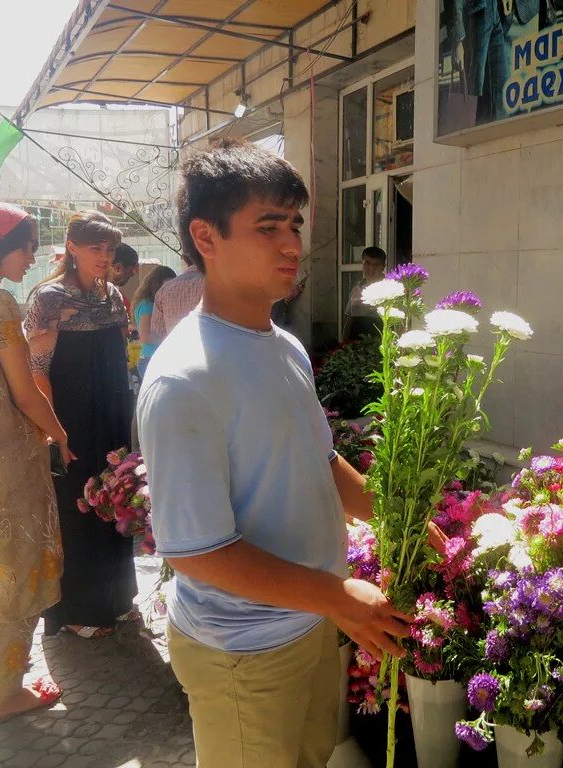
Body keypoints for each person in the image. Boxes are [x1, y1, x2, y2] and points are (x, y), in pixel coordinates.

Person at [137, 139, 442, 768]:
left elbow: (320, 461)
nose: (292, 245)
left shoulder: (282, 345)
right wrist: (337, 596)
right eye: (268, 227)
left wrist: (392, 516)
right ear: (207, 237)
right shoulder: (185, 378)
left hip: (304, 623)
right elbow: (196, 551)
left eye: (295, 225)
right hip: (242, 652)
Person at [24, 211, 139, 639]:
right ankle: (76, 610)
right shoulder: (49, 298)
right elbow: (38, 370)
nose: (105, 256)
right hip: (72, 420)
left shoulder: (113, 295)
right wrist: (56, 431)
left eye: (109, 249)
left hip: (111, 416)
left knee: (117, 501)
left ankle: (117, 599)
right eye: (96, 248)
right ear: (72, 248)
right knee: (78, 510)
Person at [0, 203, 69, 721]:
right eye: (26, 245)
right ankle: (5, 694)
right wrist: (60, 433)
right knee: (15, 568)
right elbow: (24, 392)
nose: (32, 256)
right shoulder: (1, 305)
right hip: (7, 459)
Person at [131, 265, 176, 380]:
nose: (169, 290)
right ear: (156, 285)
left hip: (150, 358)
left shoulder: (145, 303)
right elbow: (145, 336)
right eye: (165, 286)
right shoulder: (148, 305)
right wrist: (171, 338)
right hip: (152, 359)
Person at [150, 251, 204, 342]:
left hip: (176, 351)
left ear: (184, 258)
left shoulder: (164, 290)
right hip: (210, 351)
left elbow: (157, 334)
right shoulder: (218, 285)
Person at [342, 246, 387, 342]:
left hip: (380, 346)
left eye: (376, 264)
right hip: (356, 347)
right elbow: (349, 321)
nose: (371, 268)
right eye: (367, 263)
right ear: (362, 264)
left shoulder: (390, 290)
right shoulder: (356, 290)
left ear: (383, 267)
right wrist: (343, 344)